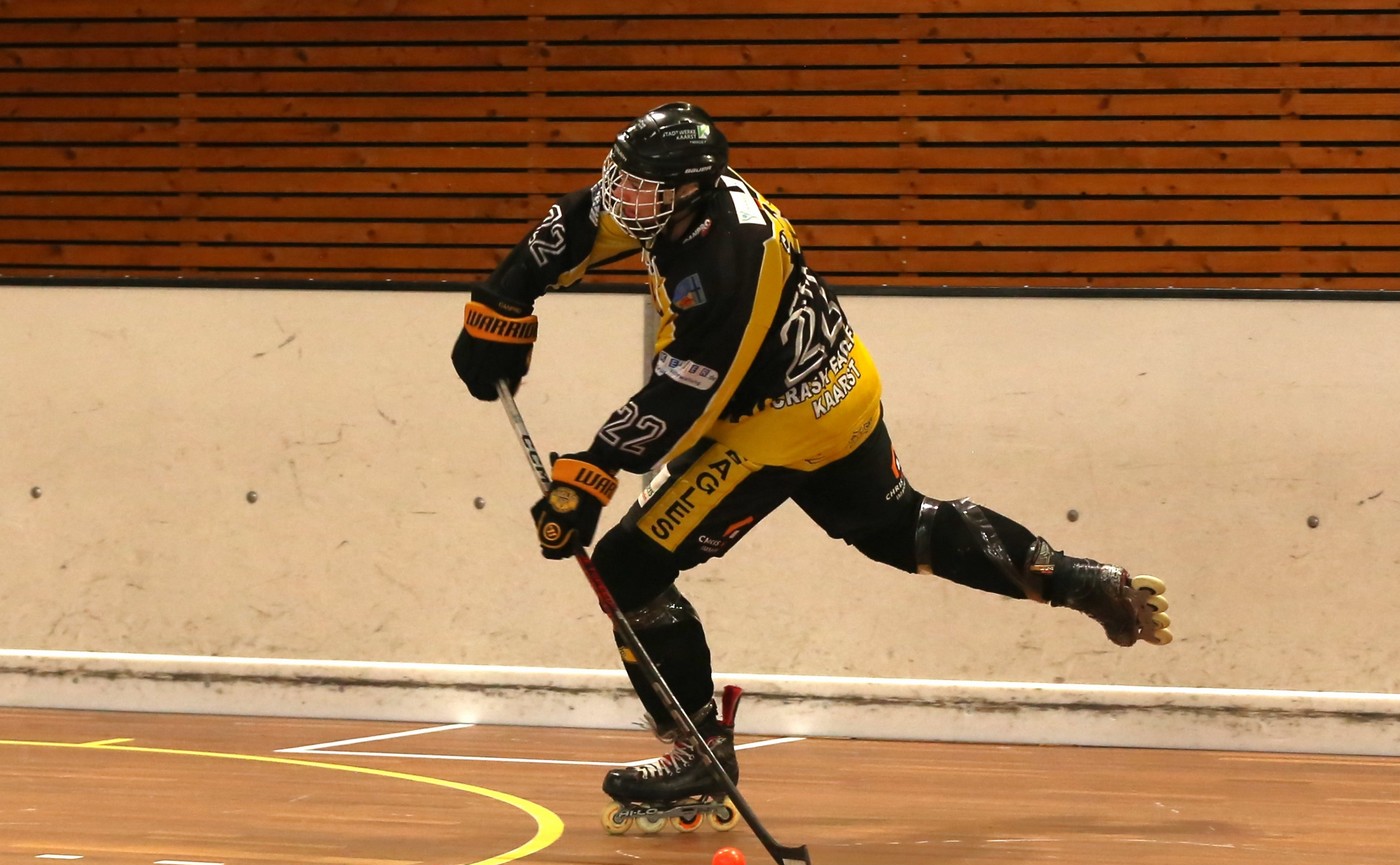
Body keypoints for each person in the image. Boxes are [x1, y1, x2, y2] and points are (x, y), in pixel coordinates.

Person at [452, 102, 1171, 820]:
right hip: (838, 387)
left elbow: (689, 387)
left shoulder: (730, 259)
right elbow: (578, 222)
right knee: (901, 528)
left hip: (776, 424)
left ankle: (698, 751)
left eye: (640, 187)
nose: (621, 195)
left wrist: (591, 473)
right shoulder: (673, 202)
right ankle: (1078, 580)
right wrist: (502, 304)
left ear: (690, 190)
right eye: (622, 176)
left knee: (626, 567)